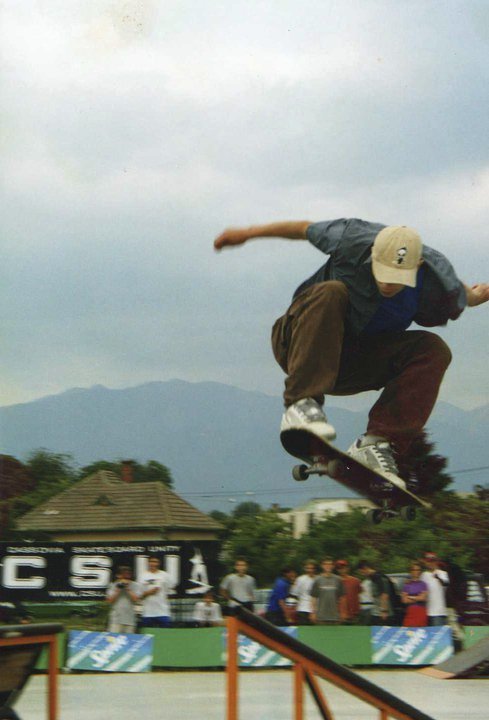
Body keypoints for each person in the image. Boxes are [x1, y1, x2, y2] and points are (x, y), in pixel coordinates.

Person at [214, 219, 488, 488]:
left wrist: (476, 297)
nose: (388, 285)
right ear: (372, 254)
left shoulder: (437, 277)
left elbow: (460, 291)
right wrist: (246, 233)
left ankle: (378, 444)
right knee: (332, 291)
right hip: (299, 342)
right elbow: (301, 229)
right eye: (383, 273)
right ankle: (302, 405)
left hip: (351, 365)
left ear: (418, 267)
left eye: (397, 278)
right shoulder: (350, 238)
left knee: (433, 349)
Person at [357, 560, 395, 626]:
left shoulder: (379, 577)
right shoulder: (373, 578)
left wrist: (384, 611)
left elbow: (384, 594)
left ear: (365, 568)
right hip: (376, 612)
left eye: (362, 572)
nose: (362, 574)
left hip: (382, 613)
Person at [139, 556, 174, 628]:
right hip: (148, 612)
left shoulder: (165, 575)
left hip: (162, 611)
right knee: (148, 634)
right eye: (151, 561)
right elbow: (140, 595)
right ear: (148, 563)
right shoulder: (143, 576)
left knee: (165, 634)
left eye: (155, 562)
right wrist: (149, 592)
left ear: (159, 563)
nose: (153, 564)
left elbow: (170, 588)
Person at [310, 557, 345, 625]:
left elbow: (342, 598)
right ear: (322, 566)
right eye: (325, 564)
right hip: (321, 616)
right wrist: (313, 612)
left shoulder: (338, 579)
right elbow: (314, 597)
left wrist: (343, 612)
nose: (328, 566)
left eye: (330, 564)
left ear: (333, 566)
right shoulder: (317, 579)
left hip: (335, 616)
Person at [106, 565, 140, 634]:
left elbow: (136, 599)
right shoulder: (113, 585)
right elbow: (109, 600)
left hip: (130, 619)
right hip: (116, 619)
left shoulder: (135, 585)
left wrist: (128, 589)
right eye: (123, 575)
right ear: (118, 576)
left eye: (127, 575)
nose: (125, 577)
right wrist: (118, 589)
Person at [420, 552, 449, 626]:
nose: (431, 563)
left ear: (436, 562)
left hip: (438, 612)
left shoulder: (443, 573)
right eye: (428, 561)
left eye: (433, 561)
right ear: (426, 562)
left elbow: (445, 584)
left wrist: (438, 577)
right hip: (426, 612)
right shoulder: (423, 575)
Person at [290, 559, 317, 624]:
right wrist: (292, 611)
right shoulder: (300, 579)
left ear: (315, 569)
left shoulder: (318, 579)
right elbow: (294, 595)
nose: (310, 570)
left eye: (312, 568)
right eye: (308, 568)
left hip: (316, 611)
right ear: (305, 569)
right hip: (302, 610)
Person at [401, 562, 428, 627]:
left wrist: (410, 597)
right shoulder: (407, 585)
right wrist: (417, 597)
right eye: (414, 570)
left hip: (421, 611)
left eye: (418, 570)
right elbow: (404, 600)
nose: (416, 572)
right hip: (411, 611)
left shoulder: (423, 584)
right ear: (411, 571)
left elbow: (423, 598)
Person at [335, 559, 361, 624]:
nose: (342, 570)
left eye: (343, 567)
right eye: (339, 568)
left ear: (347, 568)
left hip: (354, 614)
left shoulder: (355, 581)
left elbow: (359, 593)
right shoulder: (335, 581)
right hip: (339, 614)